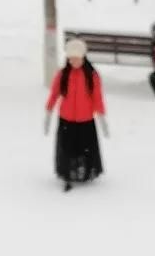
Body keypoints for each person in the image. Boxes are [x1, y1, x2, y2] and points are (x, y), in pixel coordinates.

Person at [44, 38, 108, 192]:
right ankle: (67, 174)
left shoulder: (92, 75)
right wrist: (48, 112)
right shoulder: (63, 74)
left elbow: (97, 98)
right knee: (67, 149)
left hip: (85, 120)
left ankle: (83, 173)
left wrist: (102, 118)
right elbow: (54, 94)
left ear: (83, 57)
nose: (73, 61)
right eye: (70, 58)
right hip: (66, 119)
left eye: (76, 58)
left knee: (83, 149)